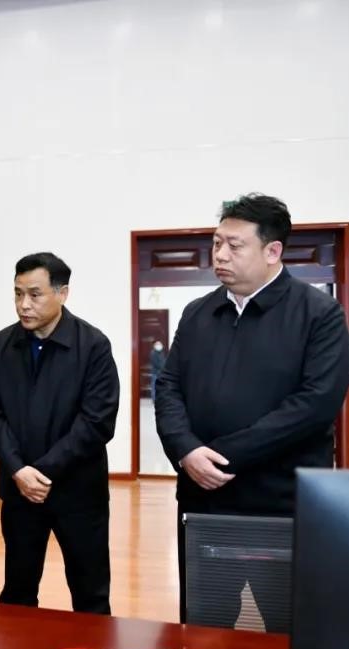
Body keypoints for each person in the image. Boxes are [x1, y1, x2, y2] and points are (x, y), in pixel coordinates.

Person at [155, 193, 349, 630]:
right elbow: (168, 387)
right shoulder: (198, 313)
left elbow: (314, 406)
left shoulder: (319, 314)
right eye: (216, 243)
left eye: (234, 245)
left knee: (287, 627)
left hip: (279, 506)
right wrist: (186, 450)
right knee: (203, 625)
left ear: (272, 250)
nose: (220, 255)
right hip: (204, 502)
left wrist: (220, 457)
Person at [0, 252, 120, 614]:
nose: (23, 305)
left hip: (78, 492)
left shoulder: (93, 345)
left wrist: (40, 472)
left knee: (90, 594)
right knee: (18, 591)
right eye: (17, 294)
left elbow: (97, 422)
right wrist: (17, 470)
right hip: (20, 491)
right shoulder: (1, 345)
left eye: (35, 294)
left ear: (63, 293)